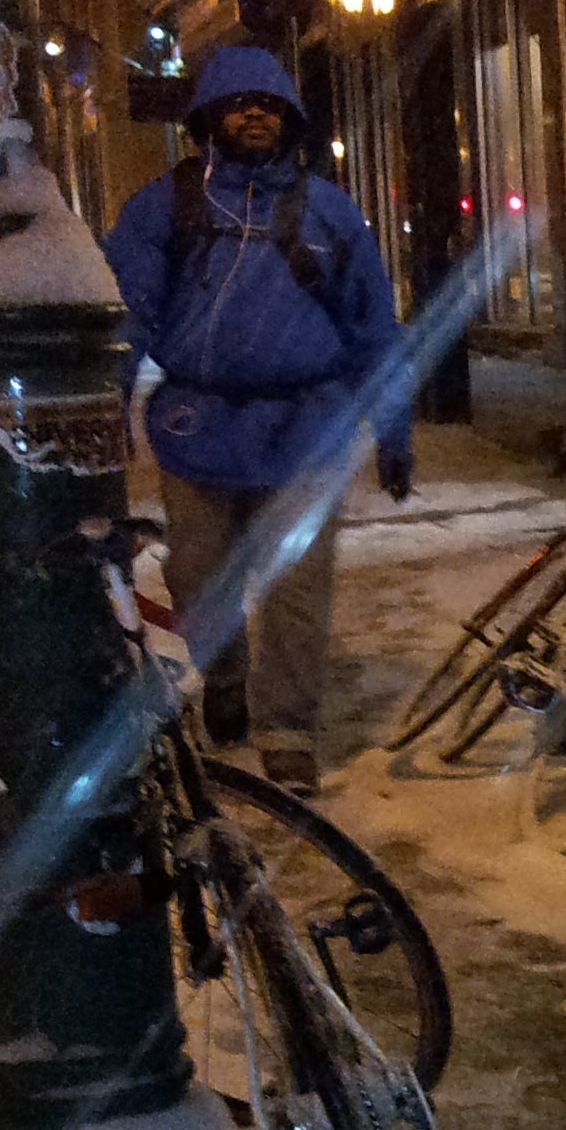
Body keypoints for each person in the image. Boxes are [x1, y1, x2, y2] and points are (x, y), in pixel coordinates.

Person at [105, 44, 410, 793]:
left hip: (307, 429)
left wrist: (393, 428)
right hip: (196, 429)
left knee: (298, 590)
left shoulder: (329, 215)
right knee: (201, 578)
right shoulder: (165, 207)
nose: (254, 114)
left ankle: (287, 727)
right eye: (240, 103)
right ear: (209, 116)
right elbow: (123, 317)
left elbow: (373, 326)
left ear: (289, 120)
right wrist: (104, 405)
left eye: (268, 104)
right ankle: (227, 676)